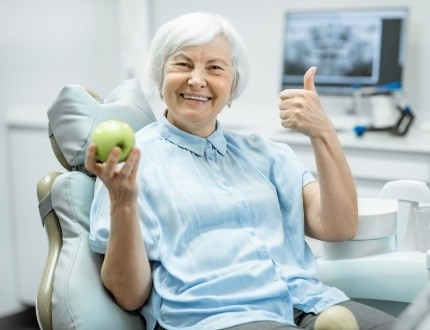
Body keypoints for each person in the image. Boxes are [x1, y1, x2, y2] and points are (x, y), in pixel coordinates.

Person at [86, 12, 397, 330]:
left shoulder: (266, 154)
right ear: (160, 75)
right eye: (182, 64)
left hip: (310, 303)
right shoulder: (130, 165)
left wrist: (323, 133)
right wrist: (122, 202)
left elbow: (339, 226)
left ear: (232, 87)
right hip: (219, 318)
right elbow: (129, 296)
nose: (197, 79)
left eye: (215, 68)